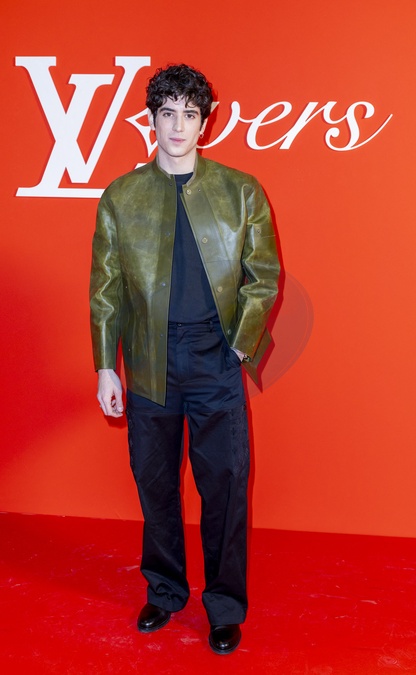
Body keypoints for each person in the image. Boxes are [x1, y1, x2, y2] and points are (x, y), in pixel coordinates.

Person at [90, 64, 281, 655]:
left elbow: (264, 277)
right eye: (167, 113)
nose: (177, 126)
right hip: (149, 360)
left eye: (189, 114)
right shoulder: (121, 196)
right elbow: (105, 288)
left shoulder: (240, 190)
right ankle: (165, 591)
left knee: (225, 486)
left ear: (205, 122)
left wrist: (238, 345)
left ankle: (224, 606)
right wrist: (105, 365)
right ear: (151, 119)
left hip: (215, 358)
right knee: (155, 484)